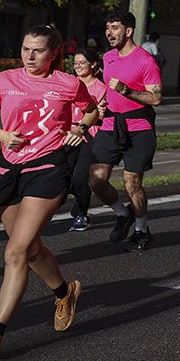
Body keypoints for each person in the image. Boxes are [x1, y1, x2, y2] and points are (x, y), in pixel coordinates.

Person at [0, 26, 98, 352]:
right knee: (29, 250)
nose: (30, 56)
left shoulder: (69, 84)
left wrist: (81, 127)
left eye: (37, 50)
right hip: (7, 168)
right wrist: (2, 136)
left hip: (47, 169)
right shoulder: (6, 79)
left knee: (14, 253)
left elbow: (92, 107)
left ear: (53, 53)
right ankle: (64, 292)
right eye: (26, 48)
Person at [83, 12, 163, 251]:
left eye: (115, 27)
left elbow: (156, 97)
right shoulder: (108, 58)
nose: (109, 32)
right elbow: (108, 89)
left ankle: (141, 228)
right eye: (108, 27)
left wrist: (127, 91)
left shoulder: (145, 60)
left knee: (132, 183)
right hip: (110, 124)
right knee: (96, 180)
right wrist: (102, 103)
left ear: (128, 31)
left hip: (139, 127)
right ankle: (122, 213)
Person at [66, 48, 109, 231]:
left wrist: (99, 115)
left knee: (79, 178)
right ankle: (79, 198)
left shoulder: (100, 88)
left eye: (82, 63)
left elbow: (102, 115)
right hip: (68, 134)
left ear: (92, 64)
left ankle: (83, 214)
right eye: (75, 63)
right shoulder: (69, 83)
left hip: (89, 134)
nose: (77, 66)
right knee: (63, 178)